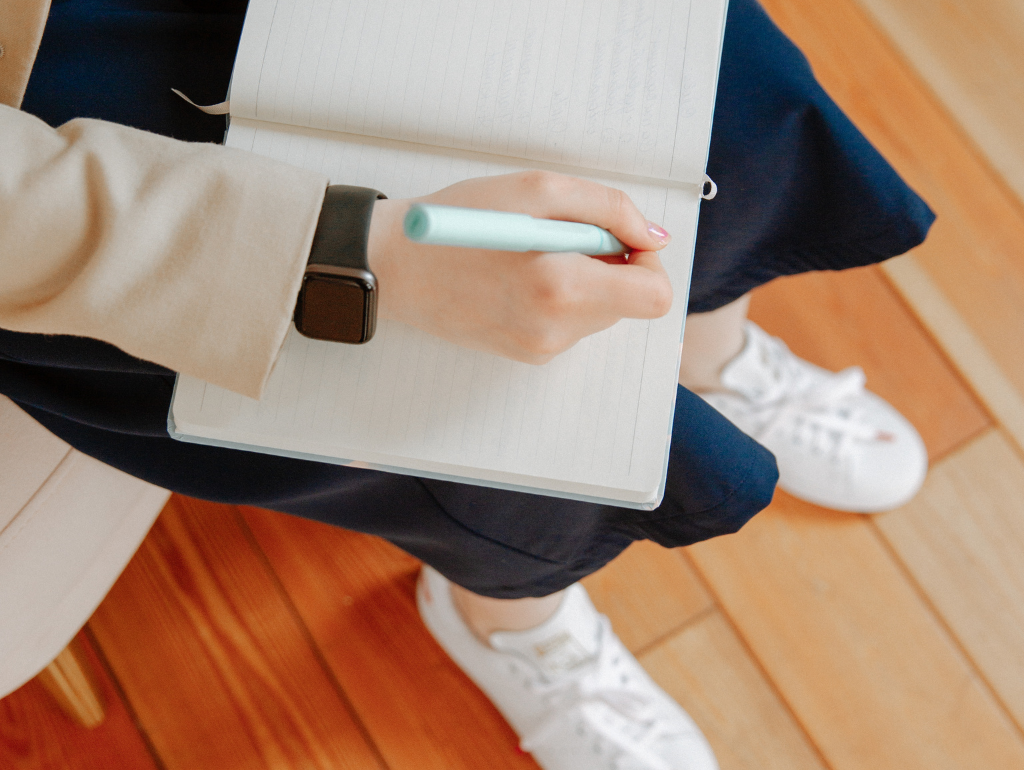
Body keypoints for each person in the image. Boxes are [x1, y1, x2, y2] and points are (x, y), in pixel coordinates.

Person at [0, 0, 934, 768]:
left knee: (706, 91)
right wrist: (333, 260)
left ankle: (710, 349)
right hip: (70, 129)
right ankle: (510, 617)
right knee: (479, 424)